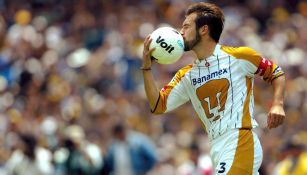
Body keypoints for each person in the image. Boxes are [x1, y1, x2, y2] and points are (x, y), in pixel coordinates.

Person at [141, 2, 286, 174]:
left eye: (186, 26)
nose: (181, 32)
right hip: (217, 147)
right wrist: (146, 68)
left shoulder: (238, 56)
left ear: (203, 30)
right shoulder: (186, 75)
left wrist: (278, 104)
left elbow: (276, 72)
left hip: (239, 140)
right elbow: (157, 105)